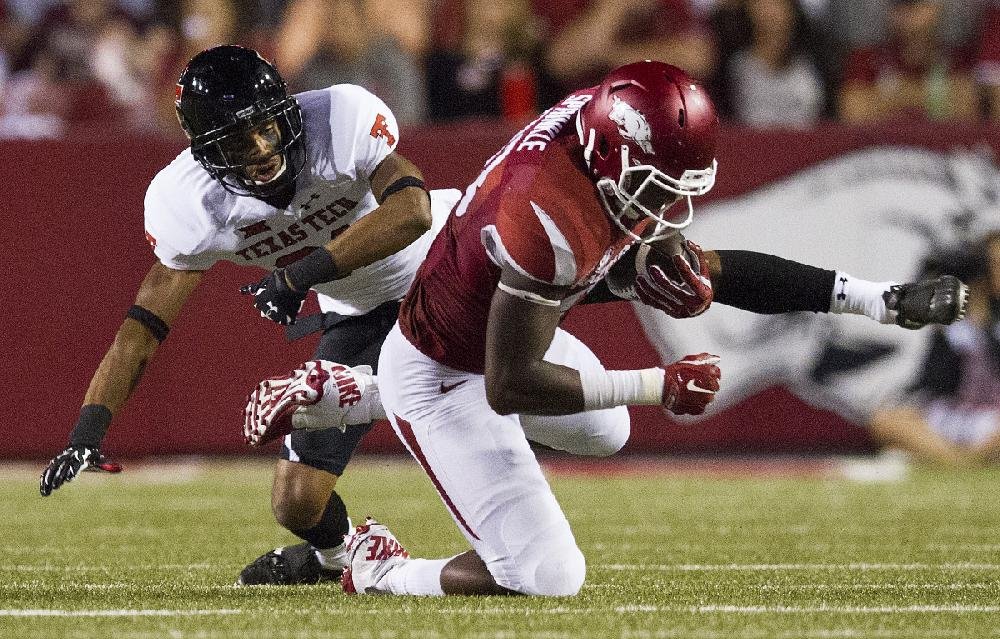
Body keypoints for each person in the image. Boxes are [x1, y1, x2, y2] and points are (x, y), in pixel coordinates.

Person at [246, 60, 968, 596]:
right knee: (546, 574)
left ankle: (352, 393)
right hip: (444, 372)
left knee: (608, 428)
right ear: (613, 161)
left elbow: (718, 270)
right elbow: (508, 383)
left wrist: (875, 298)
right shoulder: (550, 222)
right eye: (657, 190)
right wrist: (662, 383)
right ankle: (378, 566)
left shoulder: (603, 130)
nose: (666, 210)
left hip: (489, 315)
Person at [37, 44, 461, 587]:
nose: (261, 148)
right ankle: (339, 555)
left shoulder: (338, 118)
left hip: (447, 267)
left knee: (557, 412)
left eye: (265, 126)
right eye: (237, 139)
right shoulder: (189, 203)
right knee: (296, 503)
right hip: (358, 313)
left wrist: (294, 277)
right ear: (206, 153)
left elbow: (411, 213)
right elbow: (142, 328)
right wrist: (87, 432)